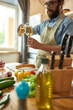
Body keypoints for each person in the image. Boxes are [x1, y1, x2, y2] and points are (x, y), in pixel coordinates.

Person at [17, 0, 73, 67]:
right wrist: (23, 30)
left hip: (54, 67)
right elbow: (31, 30)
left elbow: (66, 50)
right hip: (40, 64)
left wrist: (40, 46)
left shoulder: (68, 23)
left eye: (51, 3)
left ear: (60, 2)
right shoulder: (45, 23)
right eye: (46, 4)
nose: (47, 7)